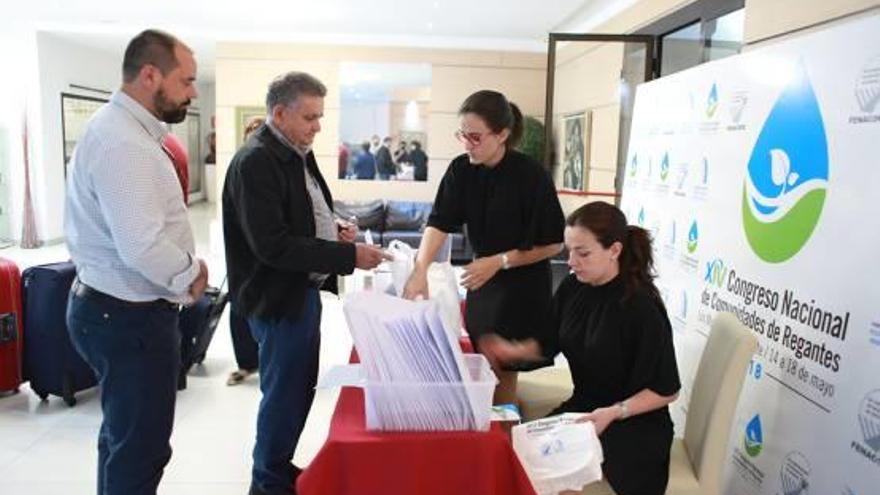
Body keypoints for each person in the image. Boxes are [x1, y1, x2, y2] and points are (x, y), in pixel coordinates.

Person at [222, 71, 389, 495]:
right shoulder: (255, 162)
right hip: (278, 299)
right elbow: (273, 246)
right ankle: (267, 484)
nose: (318, 127)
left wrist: (331, 230)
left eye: (319, 117)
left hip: (300, 294)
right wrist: (348, 256)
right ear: (279, 113)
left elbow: (297, 212)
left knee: (297, 393)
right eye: (310, 117)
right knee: (283, 398)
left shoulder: (294, 149)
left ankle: (278, 470)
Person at [64, 29, 208, 494]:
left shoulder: (126, 131)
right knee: (140, 449)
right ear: (150, 76)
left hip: (116, 310)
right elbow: (142, 245)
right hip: (127, 318)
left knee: (123, 439)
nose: (192, 91)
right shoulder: (123, 142)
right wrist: (190, 273)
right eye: (186, 81)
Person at [481, 201, 681, 495]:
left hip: (633, 424)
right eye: (569, 251)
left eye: (583, 253)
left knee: (555, 479)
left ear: (614, 250)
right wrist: (514, 350)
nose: (571, 262)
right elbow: (549, 340)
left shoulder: (641, 306)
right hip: (586, 410)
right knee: (517, 454)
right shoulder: (574, 288)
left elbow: (667, 390)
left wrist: (614, 412)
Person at [403, 89, 565, 404]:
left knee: (503, 368)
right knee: (480, 357)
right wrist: (419, 269)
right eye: (462, 135)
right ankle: (485, 424)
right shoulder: (461, 170)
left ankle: (502, 434)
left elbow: (553, 243)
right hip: (482, 278)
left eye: (475, 137)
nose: (466, 144)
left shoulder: (531, 176)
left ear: (502, 134)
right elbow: (439, 221)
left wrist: (499, 261)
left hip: (521, 281)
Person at [226, 116, 267, 387]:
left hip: (265, 257)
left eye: (259, 132)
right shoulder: (240, 165)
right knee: (239, 308)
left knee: (263, 309)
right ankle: (247, 363)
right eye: (250, 132)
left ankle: (263, 360)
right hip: (243, 255)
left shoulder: (271, 168)